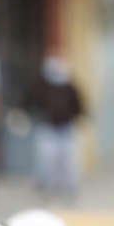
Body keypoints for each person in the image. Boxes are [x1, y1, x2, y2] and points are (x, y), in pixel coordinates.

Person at [29, 55, 85, 199]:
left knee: (69, 160)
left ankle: (69, 187)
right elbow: (31, 102)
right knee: (47, 159)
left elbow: (79, 106)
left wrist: (79, 117)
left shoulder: (70, 87)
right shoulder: (42, 86)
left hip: (66, 129)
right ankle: (47, 186)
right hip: (47, 128)